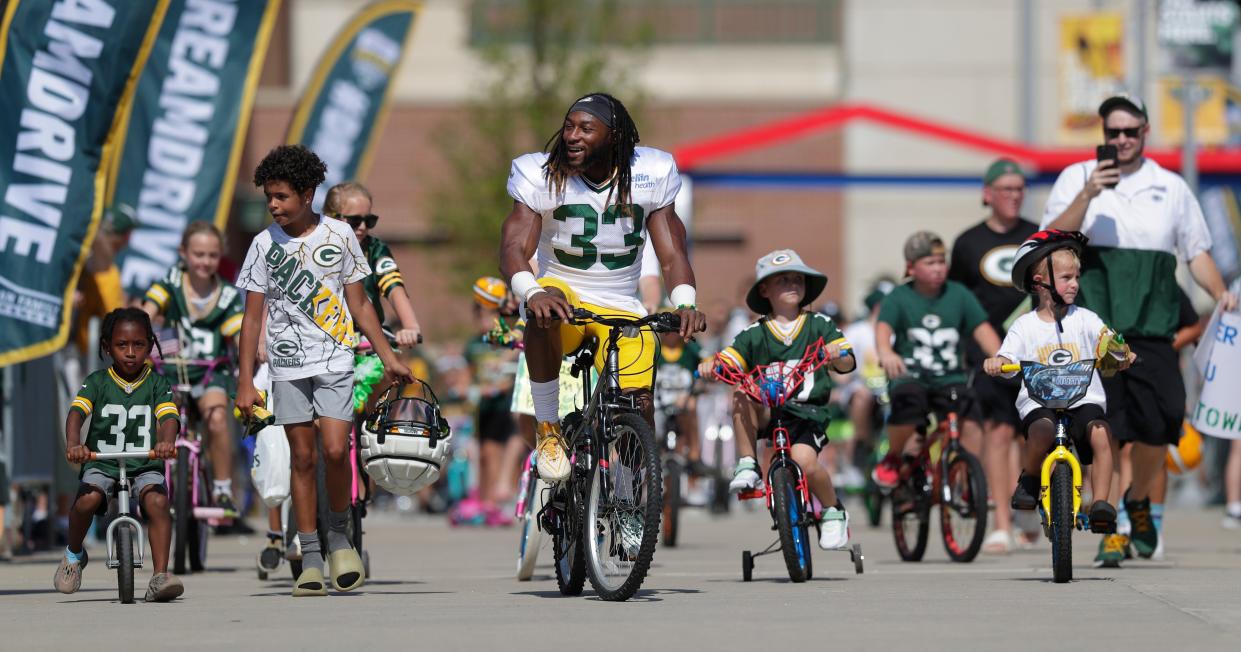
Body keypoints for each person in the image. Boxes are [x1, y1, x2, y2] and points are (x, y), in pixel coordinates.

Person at [1042, 93, 1238, 560]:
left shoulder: (1170, 188)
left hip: (1153, 329)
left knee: (1163, 421)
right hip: (1093, 329)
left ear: (1146, 132)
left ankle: (1138, 503)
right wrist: (1090, 192)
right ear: (1104, 135)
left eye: (1131, 131)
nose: (1123, 139)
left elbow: (1197, 253)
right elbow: (1050, 243)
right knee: (1104, 428)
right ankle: (1112, 527)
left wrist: (1220, 294)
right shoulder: (1076, 178)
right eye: (1114, 132)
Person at [498, 92, 706, 483]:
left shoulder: (651, 171)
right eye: (569, 126)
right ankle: (548, 429)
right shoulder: (541, 173)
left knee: (640, 404)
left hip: (622, 302)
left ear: (614, 138)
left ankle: (629, 493)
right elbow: (512, 247)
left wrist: (685, 303)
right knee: (547, 305)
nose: (572, 136)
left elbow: (673, 252)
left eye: (586, 128)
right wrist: (533, 293)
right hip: (562, 294)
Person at [234, 145, 413, 597]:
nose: (272, 205)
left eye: (281, 197)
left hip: (336, 360)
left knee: (336, 451)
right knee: (303, 457)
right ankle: (310, 552)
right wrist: (243, 384)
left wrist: (387, 356)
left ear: (308, 193)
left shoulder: (340, 236)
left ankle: (339, 537)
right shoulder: (262, 246)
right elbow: (251, 320)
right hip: (287, 366)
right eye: (269, 197)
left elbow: (360, 303)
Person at [983, 230, 1135, 564]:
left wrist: (1121, 352)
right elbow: (1008, 359)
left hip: (1083, 398)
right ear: (1040, 282)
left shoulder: (1086, 319)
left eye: (1076, 277)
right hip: (1039, 400)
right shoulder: (1025, 326)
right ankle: (1031, 476)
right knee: (1041, 431)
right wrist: (999, 363)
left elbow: (1110, 343)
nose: (1074, 284)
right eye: (1066, 277)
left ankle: (1101, 504)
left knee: (1100, 434)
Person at [698, 249, 857, 549]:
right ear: (764, 290)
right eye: (782, 280)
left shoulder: (819, 324)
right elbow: (730, 361)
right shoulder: (753, 333)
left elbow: (847, 360)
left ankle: (833, 510)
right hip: (769, 410)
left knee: (805, 462)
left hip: (807, 413)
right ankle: (747, 463)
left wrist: (839, 356)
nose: (792, 284)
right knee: (740, 392)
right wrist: (712, 365)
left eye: (798, 279)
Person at [55, 308, 183, 602]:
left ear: (150, 346)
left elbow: (168, 419)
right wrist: (74, 443)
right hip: (102, 461)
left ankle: (160, 575)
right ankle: (73, 555)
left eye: (138, 345)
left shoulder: (157, 384)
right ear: (107, 347)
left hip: (144, 460)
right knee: (87, 500)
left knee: (158, 501)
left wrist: (166, 442)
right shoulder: (98, 381)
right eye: (121, 345)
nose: (130, 353)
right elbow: (77, 413)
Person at [950, 159, 1040, 554]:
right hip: (986, 356)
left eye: (1019, 188)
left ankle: (1026, 504)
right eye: (1005, 189)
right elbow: (956, 300)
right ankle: (1001, 522)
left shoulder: (1037, 236)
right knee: (998, 433)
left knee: (1033, 432)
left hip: (1035, 350)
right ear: (987, 194)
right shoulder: (968, 242)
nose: (1014, 195)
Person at [872, 232, 1001, 488]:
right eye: (930, 263)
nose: (938, 268)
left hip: (951, 376)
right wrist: (886, 353)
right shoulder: (899, 296)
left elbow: (982, 329)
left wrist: (1000, 356)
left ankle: (966, 478)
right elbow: (883, 328)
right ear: (911, 267)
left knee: (972, 418)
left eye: (942, 262)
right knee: (907, 405)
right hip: (911, 374)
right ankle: (894, 457)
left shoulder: (959, 294)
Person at [141, 223, 243, 515]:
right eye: (198, 254)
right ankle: (154, 481)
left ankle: (223, 488)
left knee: (218, 418)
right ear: (183, 253)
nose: (205, 261)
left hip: (211, 372)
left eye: (212, 255)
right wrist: (140, 335)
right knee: (160, 418)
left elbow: (237, 334)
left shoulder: (226, 295)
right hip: (172, 371)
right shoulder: (171, 283)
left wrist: (247, 349)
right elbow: (148, 311)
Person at [321, 181, 423, 347]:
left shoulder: (375, 249)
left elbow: (394, 286)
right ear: (331, 218)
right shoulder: (311, 249)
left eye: (369, 220)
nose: (362, 227)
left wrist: (411, 326)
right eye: (355, 221)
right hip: (322, 347)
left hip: (368, 343)